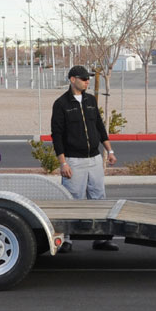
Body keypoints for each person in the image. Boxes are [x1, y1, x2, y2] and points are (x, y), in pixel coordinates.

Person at [51, 65, 118, 252]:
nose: (87, 81)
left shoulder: (90, 100)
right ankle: (66, 240)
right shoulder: (61, 104)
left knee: (98, 196)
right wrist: (62, 162)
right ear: (72, 79)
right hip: (74, 161)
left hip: (94, 158)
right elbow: (57, 135)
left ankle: (101, 238)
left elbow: (99, 126)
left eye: (88, 78)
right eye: (83, 78)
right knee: (72, 199)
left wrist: (109, 151)